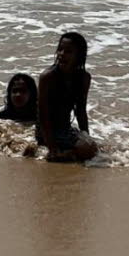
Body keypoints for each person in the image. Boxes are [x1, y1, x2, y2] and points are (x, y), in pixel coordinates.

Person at [36, 32, 99, 162]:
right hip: (46, 130)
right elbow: (43, 114)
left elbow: (81, 110)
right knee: (87, 151)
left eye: (68, 51)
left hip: (65, 128)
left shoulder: (84, 78)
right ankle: (61, 154)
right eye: (60, 49)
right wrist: (52, 147)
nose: (61, 54)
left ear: (79, 56)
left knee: (93, 149)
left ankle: (67, 154)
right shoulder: (47, 77)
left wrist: (86, 136)